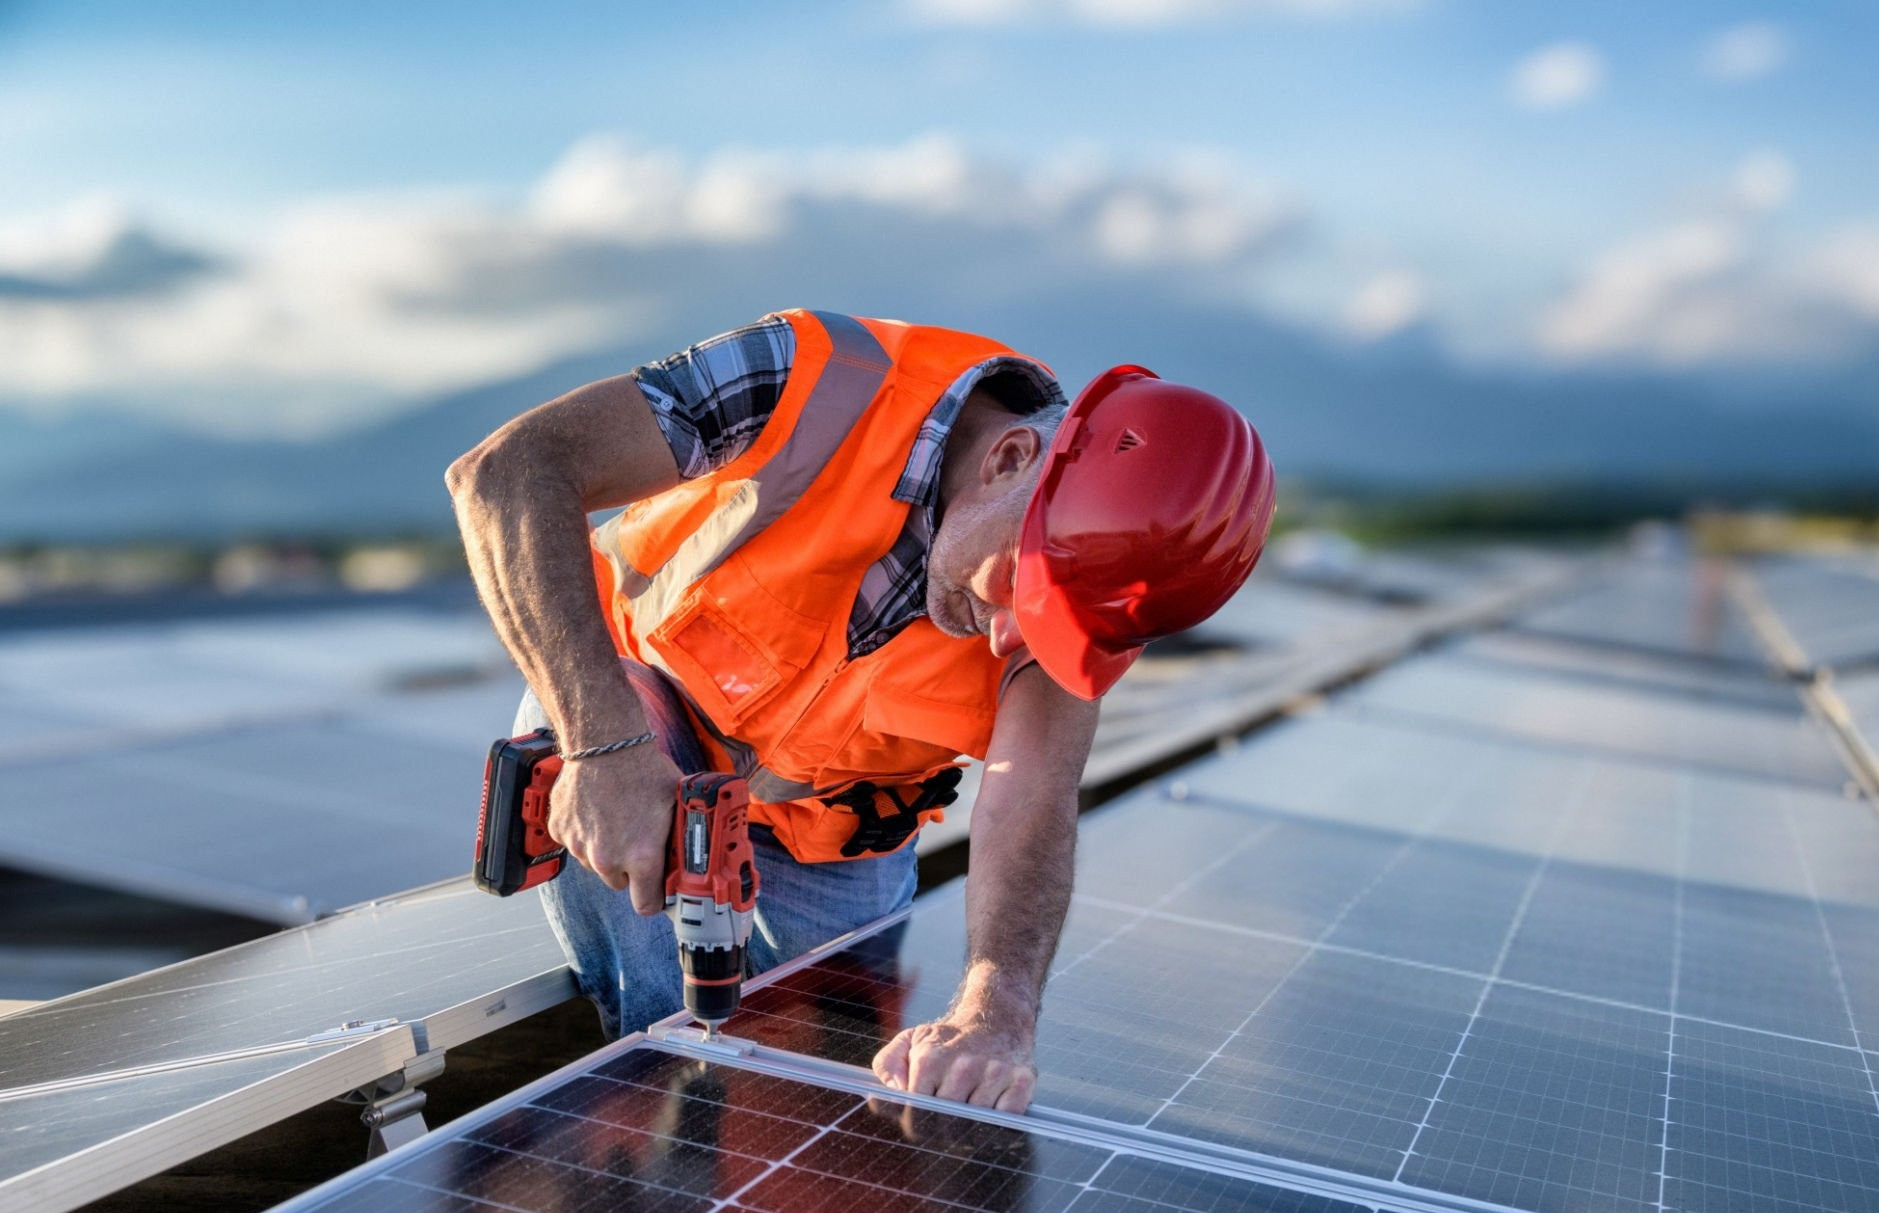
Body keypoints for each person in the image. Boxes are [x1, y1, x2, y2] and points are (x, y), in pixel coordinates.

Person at [447, 309, 1273, 1113]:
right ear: (1011, 458)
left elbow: (1031, 799)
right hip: (636, 739)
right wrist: (602, 743)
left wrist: (995, 1012)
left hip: (831, 844)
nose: (1012, 637)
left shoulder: (1091, 585)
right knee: (657, 1056)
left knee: (818, 1122)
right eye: (1026, 592)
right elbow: (508, 474)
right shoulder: (814, 380)